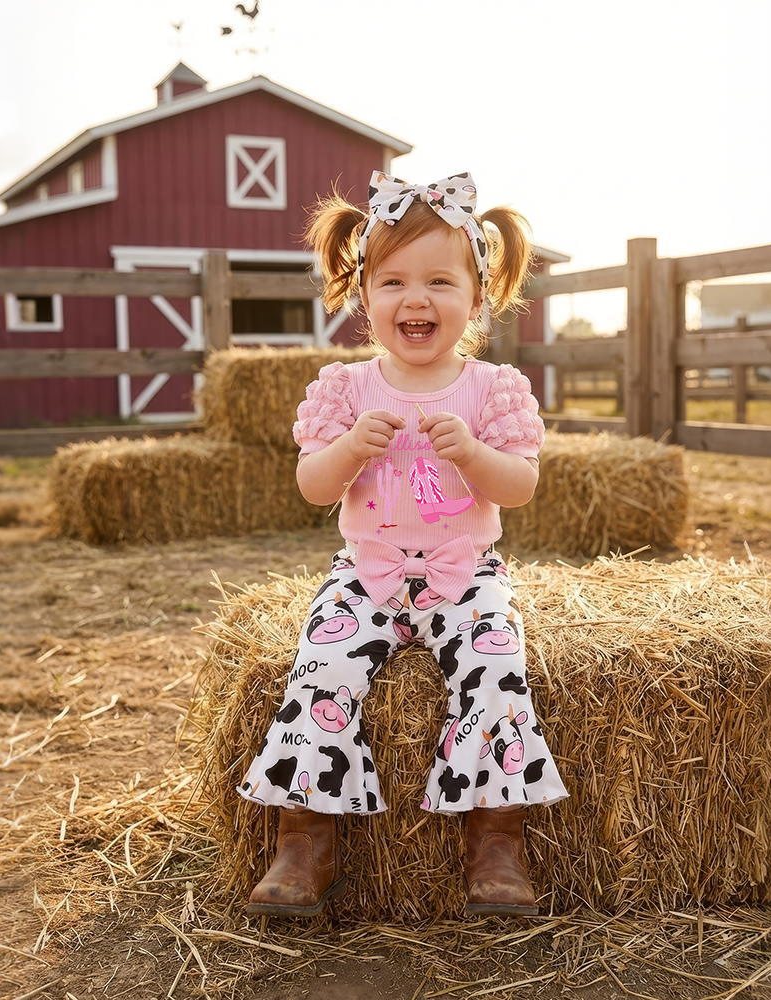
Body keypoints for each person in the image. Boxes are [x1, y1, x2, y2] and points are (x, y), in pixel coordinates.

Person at [240, 171, 568, 918]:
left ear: (478, 298)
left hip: (467, 571)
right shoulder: (345, 389)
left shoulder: (494, 389)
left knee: (494, 665)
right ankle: (303, 842)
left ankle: (495, 845)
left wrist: (475, 457)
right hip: (368, 571)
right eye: (392, 281)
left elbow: (519, 486)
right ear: (364, 298)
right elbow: (314, 487)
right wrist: (352, 447)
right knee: (321, 663)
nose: (415, 298)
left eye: (439, 281)